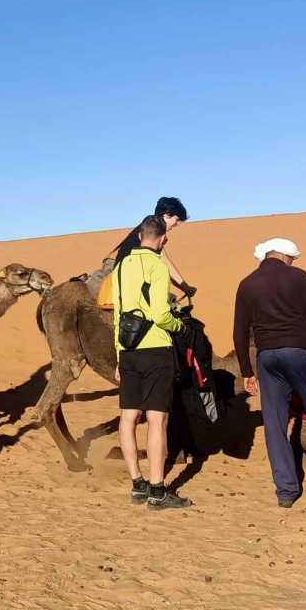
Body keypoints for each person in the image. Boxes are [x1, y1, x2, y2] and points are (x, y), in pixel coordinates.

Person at [234, 238, 306, 507]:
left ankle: (286, 491)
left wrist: (246, 371)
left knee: (275, 425)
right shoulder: (298, 276)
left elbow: (239, 332)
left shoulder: (247, 283)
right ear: (286, 257)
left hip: (266, 358)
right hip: (300, 352)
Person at [113, 215, 191, 511]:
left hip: (128, 350)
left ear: (139, 236)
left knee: (128, 417)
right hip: (156, 348)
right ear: (162, 239)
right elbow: (160, 314)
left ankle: (137, 484)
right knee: (157, 419)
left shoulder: (121, 267)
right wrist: (179, 327)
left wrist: (120, 352)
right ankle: (158, 490)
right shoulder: (157, 266)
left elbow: (118, 313)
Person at [93, 197, 193, 303]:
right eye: (177, 220)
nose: (177, 224)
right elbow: (165, 262)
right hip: (129, 285)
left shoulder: (148, 227)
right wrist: (185, 287)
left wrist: (184, 287)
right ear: (167, 215)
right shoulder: (152, 231)